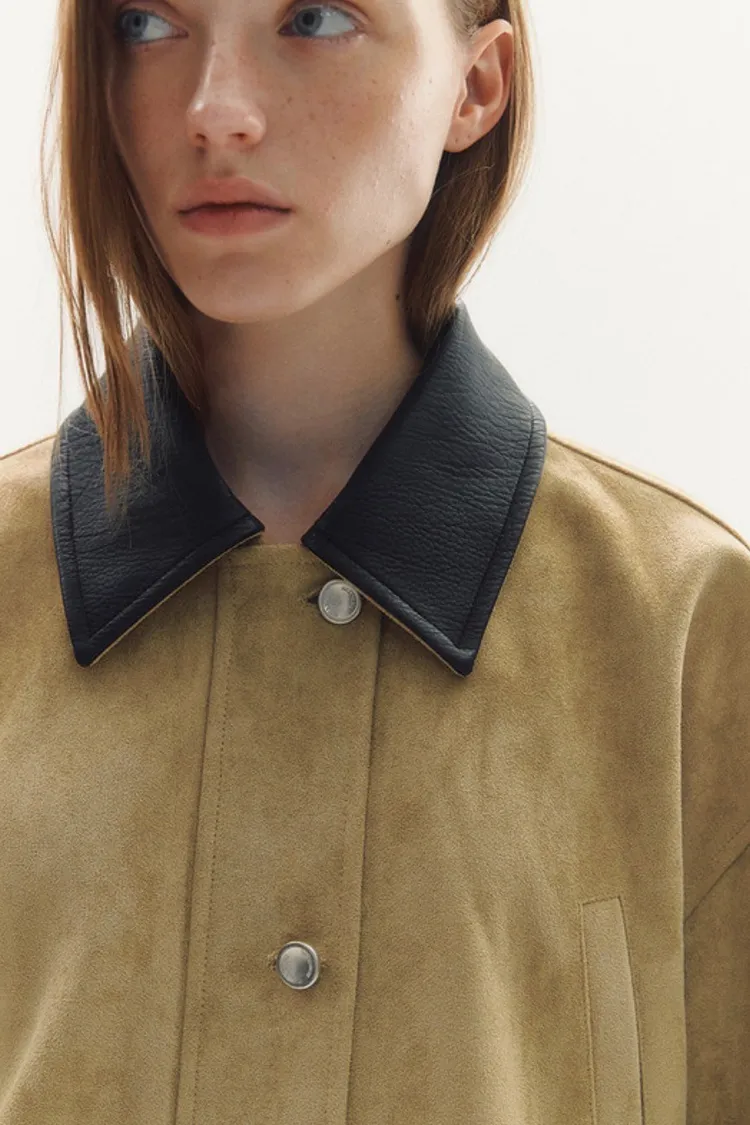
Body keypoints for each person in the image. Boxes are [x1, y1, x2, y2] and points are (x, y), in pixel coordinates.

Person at [0, 0, 748, 1122]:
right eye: (148, 24)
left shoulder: (689, 629)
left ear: (476, 87)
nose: (216, 112)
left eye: (314, 18)